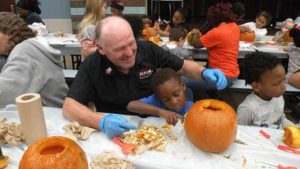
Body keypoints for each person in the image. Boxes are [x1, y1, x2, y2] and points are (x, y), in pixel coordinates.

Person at [63, 16, 227, 139]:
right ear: (101, 48)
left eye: (131, 43)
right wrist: (100, 121)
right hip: (115, 131)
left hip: (156, 125)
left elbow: (182, 66)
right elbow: (70, 106)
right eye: (120, 49)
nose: (129, 53)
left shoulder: (147, 49)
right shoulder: (92, 66)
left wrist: (204, 72)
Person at [0, 12, 68, 108]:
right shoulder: (32, 45)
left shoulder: (25, 51)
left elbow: (5, 93)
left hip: (52, 115)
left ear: (9, 33)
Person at [188, 2, 240, 91]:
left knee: (181, 81)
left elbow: (196, 44)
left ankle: (191, 104)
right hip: (233, 73)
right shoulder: (235, 26)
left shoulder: (216, 32)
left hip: (222, 76)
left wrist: (195, 32)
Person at [237, 52, 294, 128]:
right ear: (257, 86)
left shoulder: (278, 97)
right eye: (277, 83)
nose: (284, 86)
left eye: (284, 80)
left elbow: (281, 118)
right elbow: (240, 132)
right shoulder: (247, 109)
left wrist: (293, 127)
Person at [127, 68, 193, 125]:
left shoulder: (193, 109)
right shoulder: (156, 100)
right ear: (158, 97)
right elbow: (130, 106)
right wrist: (159, 111)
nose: (174, 102)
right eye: (166, 100)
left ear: (183, 85)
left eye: (176, 94)